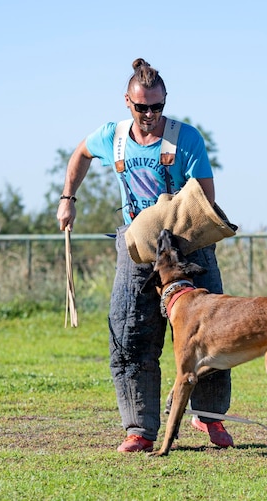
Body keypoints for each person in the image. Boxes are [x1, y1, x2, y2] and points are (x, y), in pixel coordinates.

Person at [56, 58, 233, 453]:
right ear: (127, 102)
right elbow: (80, 153)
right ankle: (140, 428)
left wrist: (164, 219)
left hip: (188, 245)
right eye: (142, 107)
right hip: (136, 248)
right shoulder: (112, 137)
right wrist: (68, 198)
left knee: (211, 335)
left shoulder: (186, 138)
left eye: (157, 107)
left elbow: (206, 197)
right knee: (131, 335)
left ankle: (211, 419)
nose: (150, 115)